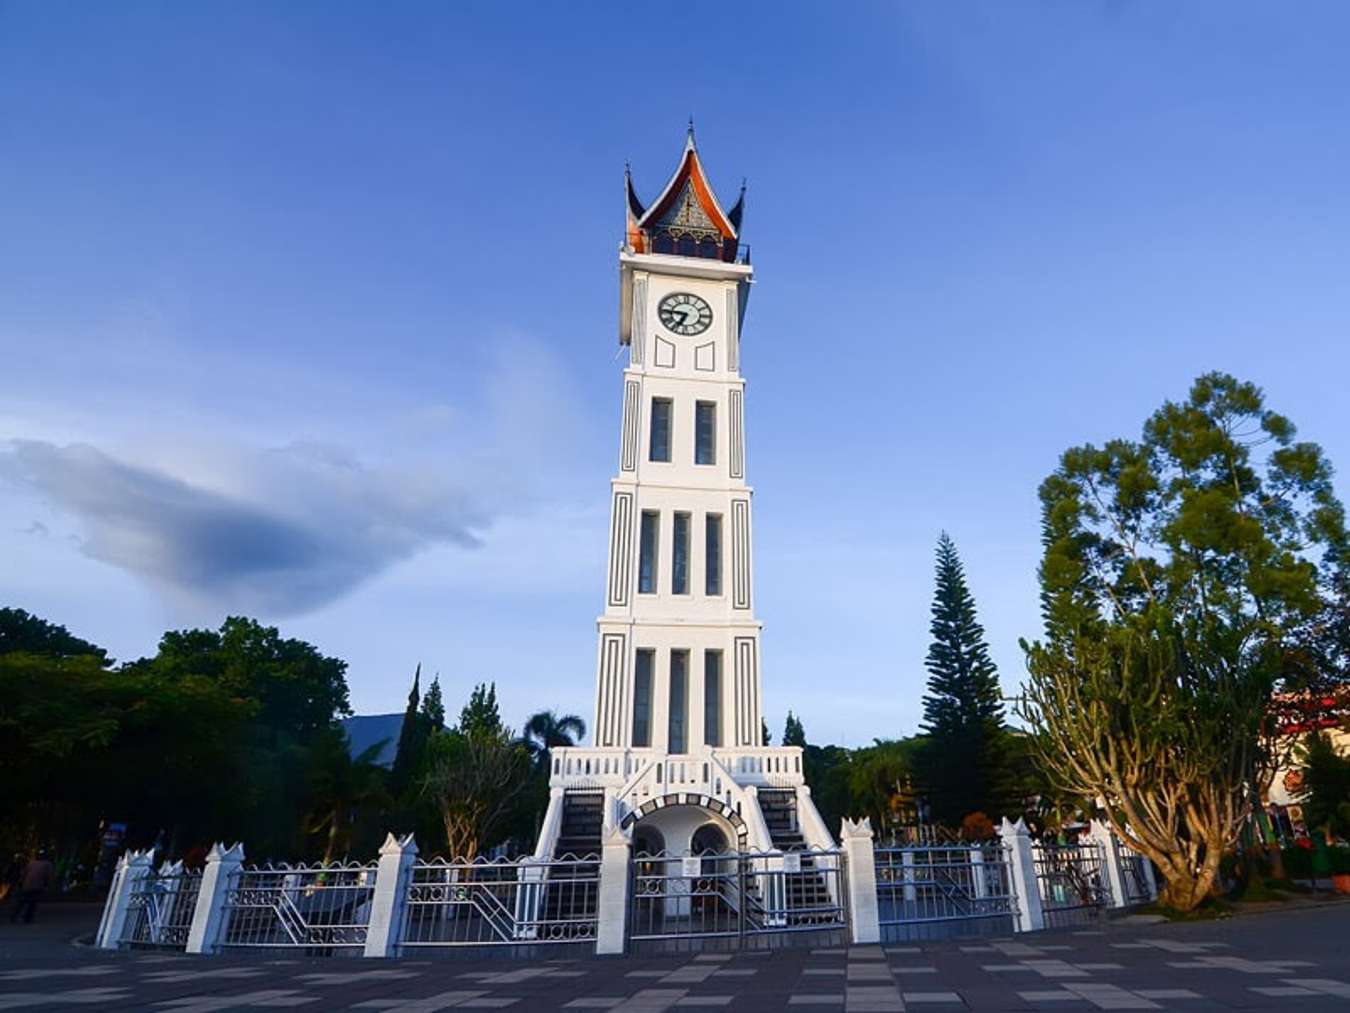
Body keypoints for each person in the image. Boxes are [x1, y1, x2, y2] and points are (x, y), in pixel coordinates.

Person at [9, 848, 54, 924]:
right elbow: (48, 876)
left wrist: (21, 882)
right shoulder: (47, 864)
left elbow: (24, 873)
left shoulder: (31, 863)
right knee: (32, 902)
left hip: (27, 884)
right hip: (37, 885)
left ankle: (15, 916)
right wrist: (47, 885)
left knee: (22, 901)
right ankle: (27, 917)